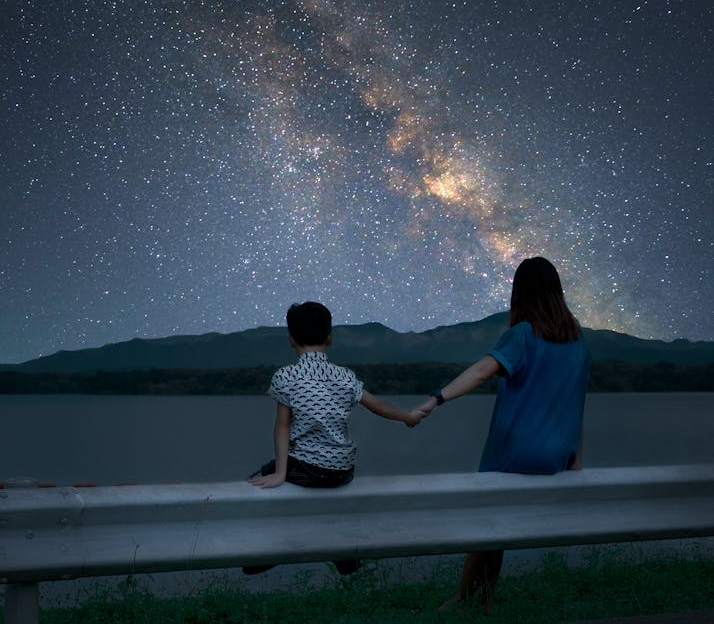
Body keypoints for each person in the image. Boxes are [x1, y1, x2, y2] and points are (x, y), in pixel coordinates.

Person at [414, 256, 590, 613]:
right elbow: (577, 403)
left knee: (485, 520)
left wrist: (436, 398)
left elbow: (481, 371)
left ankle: (466, 599)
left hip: (518, 451)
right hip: (559, 454)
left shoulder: (523, 335)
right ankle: (480, 597)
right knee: (495, 522)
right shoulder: (579, 342)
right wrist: (575, 458)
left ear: (520, 294)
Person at [246, 301, 425, 574]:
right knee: (319, 491)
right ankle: (344, 557)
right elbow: (378, 405)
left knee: (261, 477)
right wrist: (407, 416)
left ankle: (270, 548)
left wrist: (280, 472)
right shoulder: (345, 377)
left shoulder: (286, 376)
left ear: (291, 340)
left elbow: (282, 426)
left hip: (307, 469)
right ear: (330, 338)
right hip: (342, 471)